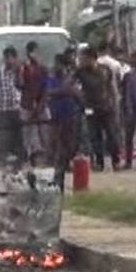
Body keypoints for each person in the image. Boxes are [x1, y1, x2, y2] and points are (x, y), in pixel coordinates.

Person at [75, 46, 120, 171]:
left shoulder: (105, 70)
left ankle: (115, 161)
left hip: (106, 107)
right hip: (90, 108)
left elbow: (112, 87)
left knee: (111, 135)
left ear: (91, 58)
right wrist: (81, 98)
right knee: (94, 136)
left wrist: (114, 103)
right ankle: (99, 162)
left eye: (83, 58)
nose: (81, 61)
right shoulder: (80, 72)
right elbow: (71, 85)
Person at [45, 55, 83, 186]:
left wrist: (66, 91)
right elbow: (49, 92)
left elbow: (77, 94)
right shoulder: (52, 79)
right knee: (54, 144)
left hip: (69, 116)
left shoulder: (70, 78)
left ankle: (64, 167)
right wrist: (64, 91)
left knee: (69, 145)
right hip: (55, 117)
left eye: (58, 64)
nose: (56, 67)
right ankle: (56, 171)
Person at [0, 46, 23, 163]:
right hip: (3, 108)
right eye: (6, 58)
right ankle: (1, 158)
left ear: (15, 58)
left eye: (10, 58)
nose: (8, 61)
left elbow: (23, 86)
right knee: (4, 133)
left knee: (19, 133)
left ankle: (20, 157)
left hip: (17, 107)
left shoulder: (19, 71)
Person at [18, 41, 48, 165]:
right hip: (27, 104)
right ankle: (30, 156)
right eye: (32, 52)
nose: (34, 54)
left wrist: (41, 104)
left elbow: (46, 87)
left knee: (45, 131)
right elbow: (19, 84)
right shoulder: (23, 68)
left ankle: (46, 155)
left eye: (36, 52)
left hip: (41, 104)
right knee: (28, 133)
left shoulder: (42, 68)